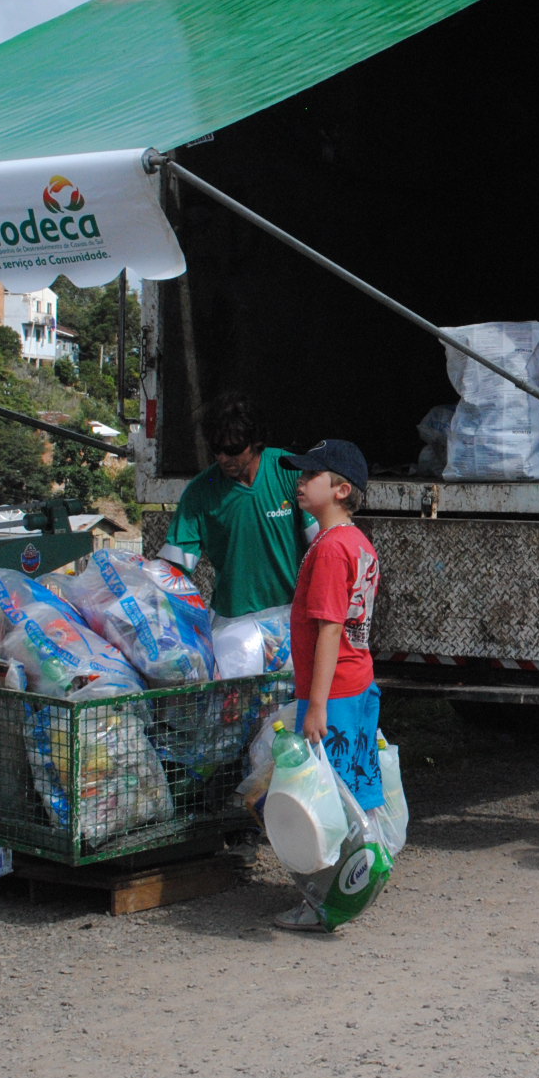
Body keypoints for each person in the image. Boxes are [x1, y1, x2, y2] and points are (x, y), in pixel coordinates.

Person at [273, 439, 386, 932]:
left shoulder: (330, 549)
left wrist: (314, 705)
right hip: (357, 685)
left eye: (309, 475)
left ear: (341, 489)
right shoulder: (357, 543)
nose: (299, 482)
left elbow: (329, 628)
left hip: (332, 693)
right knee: (353, 794)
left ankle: (327, 903)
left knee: (323, 806)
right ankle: (359, 882)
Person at [161, 393, 312, 619]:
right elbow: (173, 569)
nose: (222, 458)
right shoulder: (200, 491)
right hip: (233, 622)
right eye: (216, 449)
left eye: (232, 450)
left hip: (292, 616)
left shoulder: (289, 470)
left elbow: (324, 543)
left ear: (256, 443)